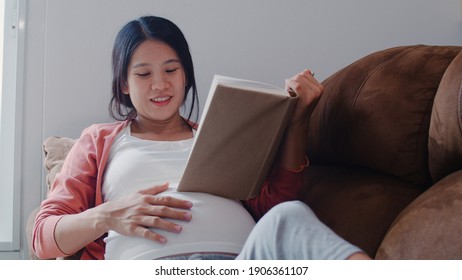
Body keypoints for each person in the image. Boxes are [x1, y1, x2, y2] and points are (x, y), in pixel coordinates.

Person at [32, 15, 369, 260]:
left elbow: (272, 209)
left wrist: (298, 123)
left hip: (242, 262)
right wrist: (108, 214)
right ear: (124, 83)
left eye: (171, 70)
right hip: (154, 265)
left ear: (186, 75)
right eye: (144, 74)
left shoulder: (223, 131)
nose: (160, 84)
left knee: (289, 216)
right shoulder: (99, 140)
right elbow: (42, 238)